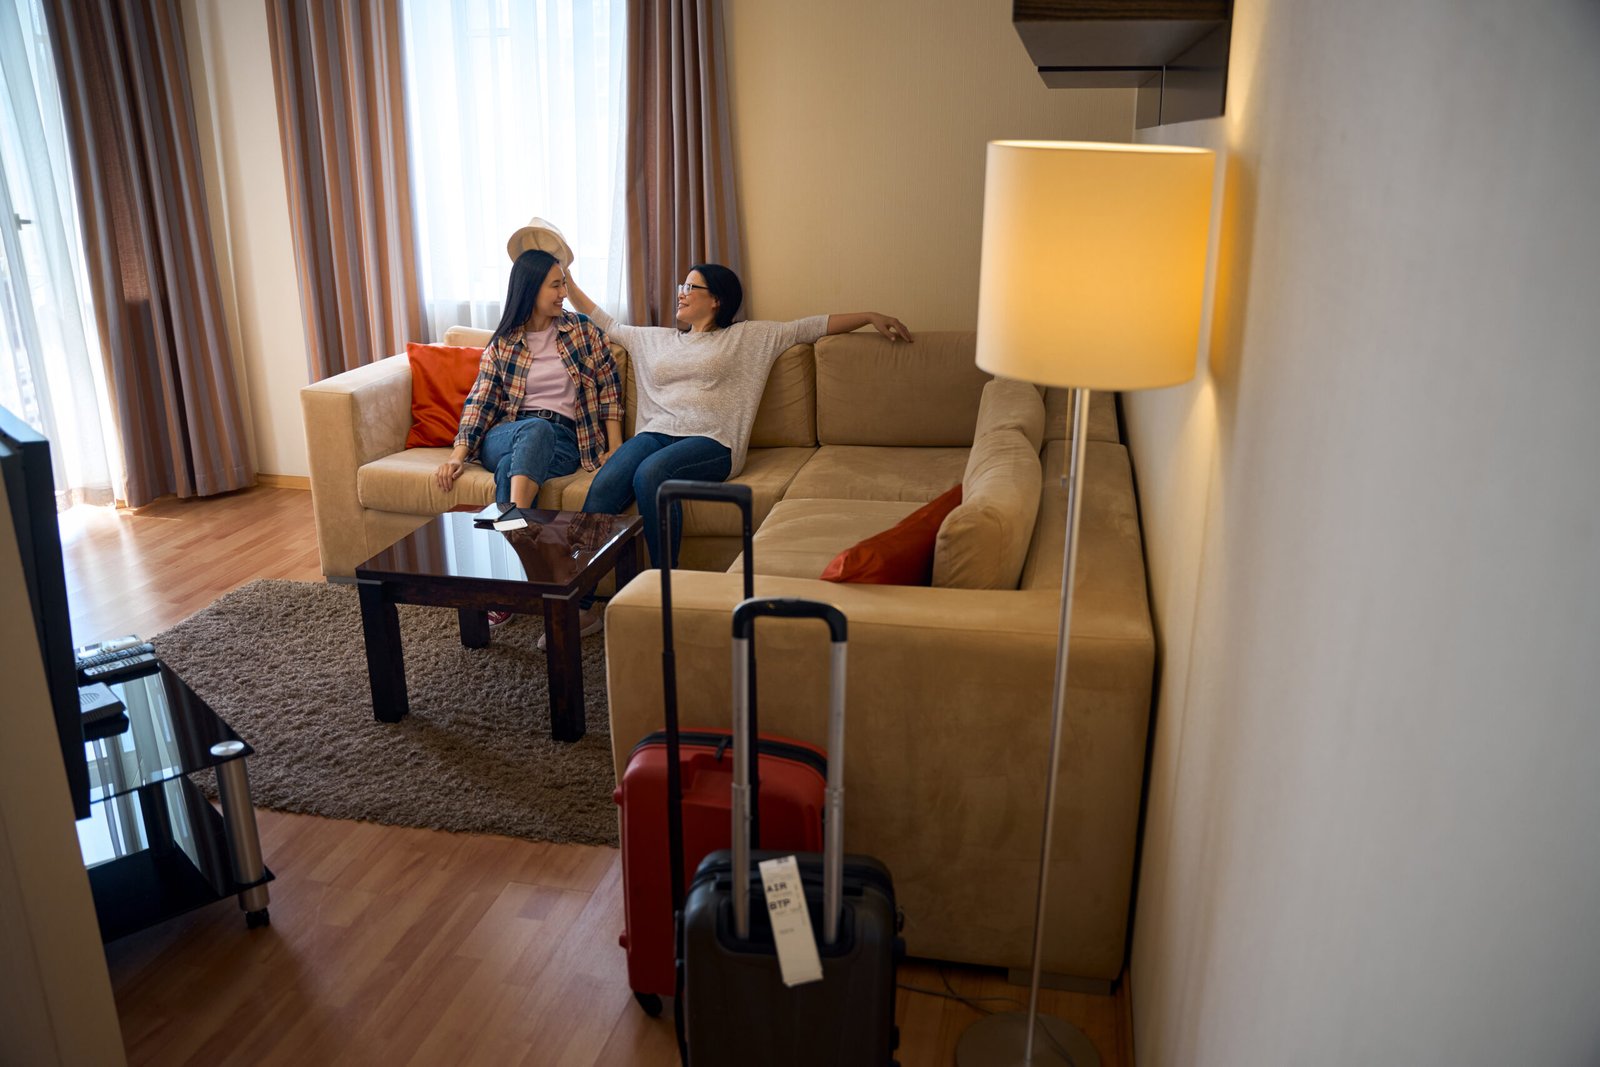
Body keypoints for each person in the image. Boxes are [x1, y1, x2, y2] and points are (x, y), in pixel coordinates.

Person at [564, 264, 912, 570]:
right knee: (606, 484)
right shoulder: (654, 340)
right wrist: (568, 281)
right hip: (654, 434)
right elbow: (606, 323)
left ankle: (665, 582)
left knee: (651, 473)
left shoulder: (747, 337)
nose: (681, 294)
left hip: (712, 441)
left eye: (691, 287)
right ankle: (577, 597)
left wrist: (868, 316)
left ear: (716, 299)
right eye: (682, 286)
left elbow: (808, 327)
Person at [434, 249, 623, 511]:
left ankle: (513, 529)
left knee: (508, 467)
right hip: (509, 433)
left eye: (564, 284)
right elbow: (481, 403)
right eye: (555, 286)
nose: (564, 293)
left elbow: (609, 388)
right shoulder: (503, 344)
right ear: (531, 289)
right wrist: (457, 456)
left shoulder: (582, 331)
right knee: (535, 429)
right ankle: (517, 527)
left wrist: (616, 447)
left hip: (564, 441)